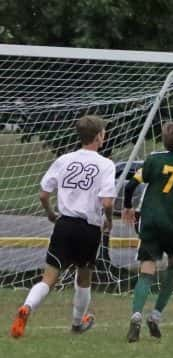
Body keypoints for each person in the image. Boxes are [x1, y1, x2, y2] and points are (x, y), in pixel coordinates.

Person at [10, 115, 116, 338]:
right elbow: (107, 201)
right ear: (99, 137)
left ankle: (26, 307)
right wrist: (108, 219)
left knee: (48, 278)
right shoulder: (106, 164)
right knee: (83, 277)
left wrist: (51, 214)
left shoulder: (64, 160)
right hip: (88, 227)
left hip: (64, 224)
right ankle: (77, 324)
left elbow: (43, 194)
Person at [122, 121, 173, 342]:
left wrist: (128, 207)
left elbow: (131, 185)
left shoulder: (153, 159)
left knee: (146, 269)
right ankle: (156, 315)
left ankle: (137, 314)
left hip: (149, 221)